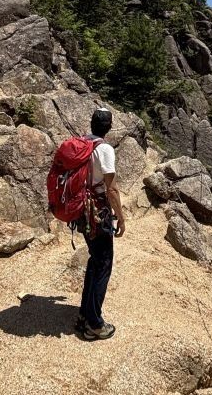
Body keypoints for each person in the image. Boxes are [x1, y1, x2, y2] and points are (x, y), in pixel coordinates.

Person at [76, 108, 126, 341]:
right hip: (97, 212)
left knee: (95, 261)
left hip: (81, 210)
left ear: (92, 123)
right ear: (109, 126)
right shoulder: (104, 149)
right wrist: (121, 218)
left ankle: (85, 315)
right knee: (103, 264)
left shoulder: (82, 143)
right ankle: (94, 324)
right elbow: (112, 188)